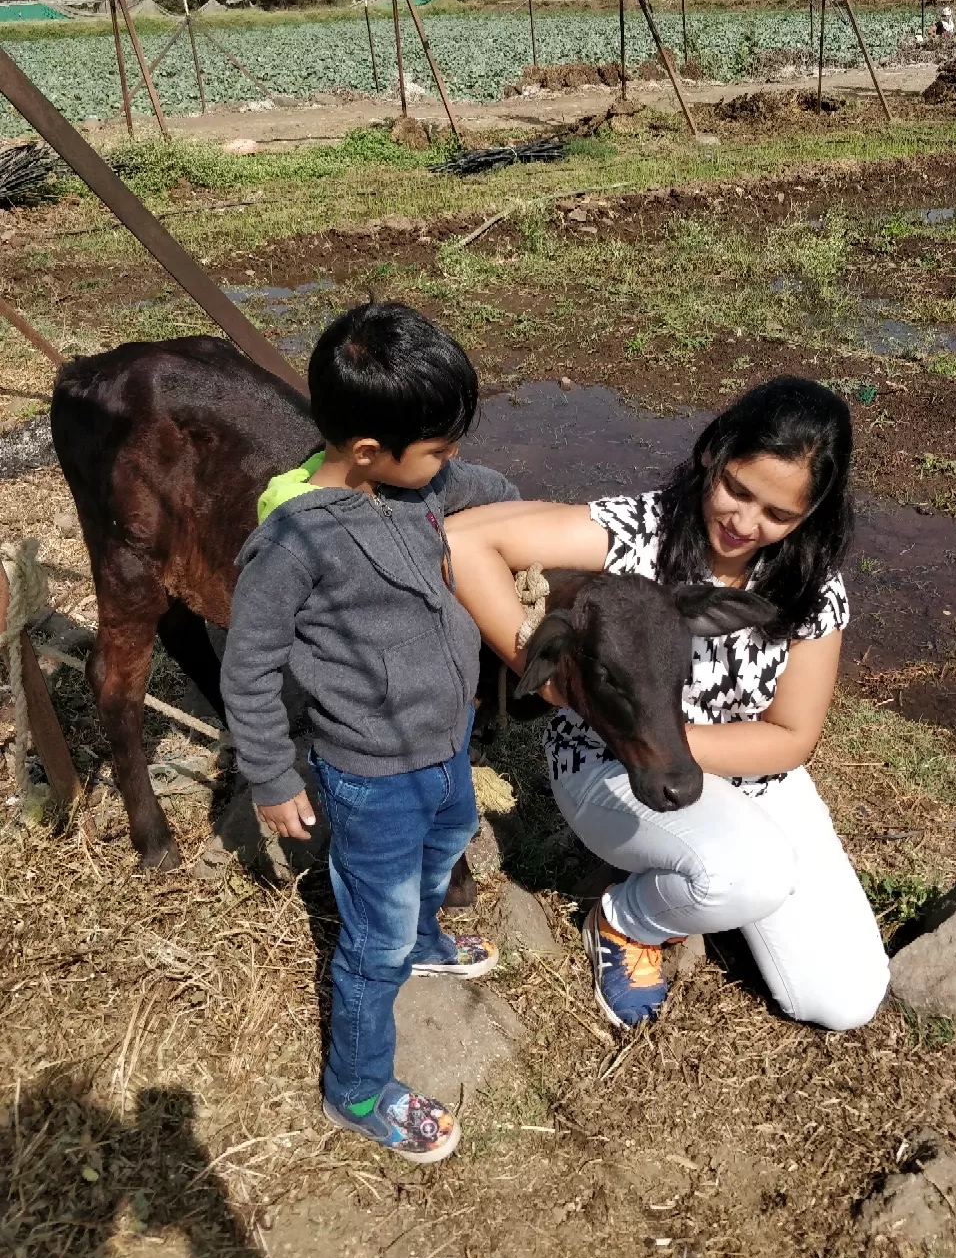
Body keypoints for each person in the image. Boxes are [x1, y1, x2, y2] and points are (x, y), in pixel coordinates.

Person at [445, 377, 890, 1034]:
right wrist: (542, 674)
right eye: (737, 490)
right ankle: (626, 921)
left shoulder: (811, 587)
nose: (744, 523)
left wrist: (677, 746)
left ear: (813, 511)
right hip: (611, 765)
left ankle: (716, 884)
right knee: (754, 872)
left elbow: (792, 737)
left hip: (748, 774)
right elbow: (461, 543)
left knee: (844, 998)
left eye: (778, 514)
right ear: (713, 452)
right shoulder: (639, 533)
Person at [220, 302, 519, 1163]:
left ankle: (426, 940)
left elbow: (494, 493)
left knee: (451, 835)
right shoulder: (293, 544)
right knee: (370, 940)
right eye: (437, 447)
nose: (451, 462)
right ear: (364, 453)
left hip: (445, 747)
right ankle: (355, 1088)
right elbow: (248, 666)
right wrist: (273, 778)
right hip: (369, 775)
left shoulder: (422, 484)